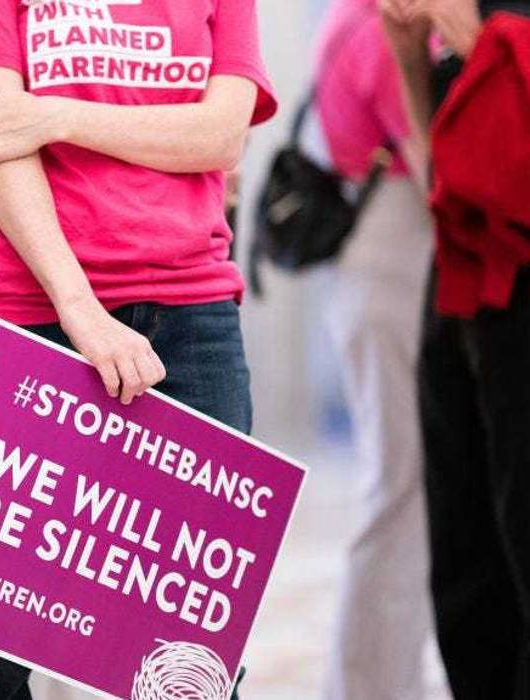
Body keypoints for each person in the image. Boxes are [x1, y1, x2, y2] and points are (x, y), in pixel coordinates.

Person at [0, 0, 276, 697]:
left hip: (188, 315)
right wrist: (79, 309)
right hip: (16, 312)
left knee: (190, 664)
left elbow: (219, 135)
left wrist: (55, 115)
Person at [381, 0, 530, 697]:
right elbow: (440, 166)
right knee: (462, 539)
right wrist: (411, 54)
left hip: (516, 271)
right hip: (460, 274)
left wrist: (474, 37)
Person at [311, 2, 442, 698]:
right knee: (399, 487)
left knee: (400, 485)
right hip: (398, 255)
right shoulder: (378, 27)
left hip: (386, 256)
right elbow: (436, 168)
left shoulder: (347, 18)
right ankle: (370, 688)